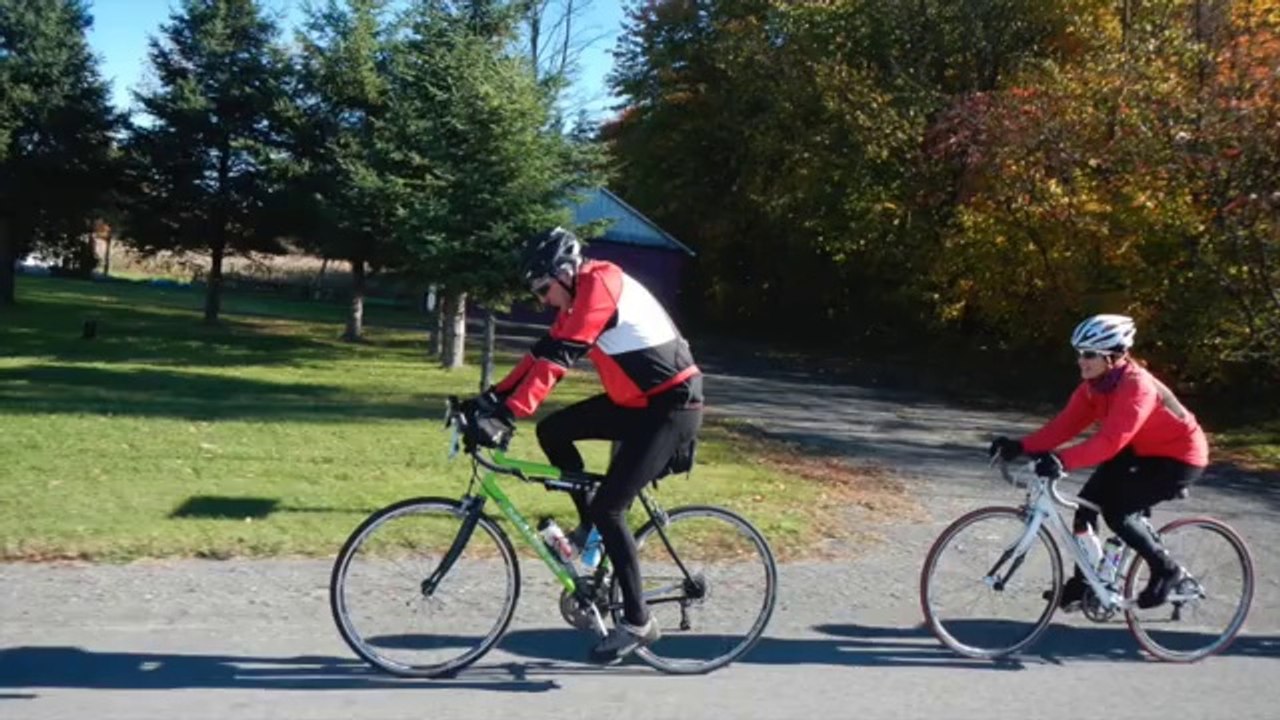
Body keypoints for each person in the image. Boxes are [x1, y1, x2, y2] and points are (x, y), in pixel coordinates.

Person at [462, 226, 704, 663]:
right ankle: (590, 527)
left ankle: (637, 623)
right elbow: (542, 352)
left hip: (672, 407)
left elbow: (559, 361)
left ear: (564, 272)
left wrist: (507, 415)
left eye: (542, 289)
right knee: (553, 431)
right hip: (638, 402)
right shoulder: (579, 294)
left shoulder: (601, 285)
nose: (541, 300)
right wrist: (492, 398)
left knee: (613, 507)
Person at [988, 314, 1208, 610]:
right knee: (1086, 507)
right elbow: (1063, 426)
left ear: (1113, 356)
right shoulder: (1095, 386)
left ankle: (1167, 570)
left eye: (1089, 354)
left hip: (1179, 457)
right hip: (1138, 450)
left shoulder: (1136, 386)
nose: (1081, 361)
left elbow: (1109, 443)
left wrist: (1061, 461)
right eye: (1079, 353)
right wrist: (1020, 446)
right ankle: (1086, 582)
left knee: (1117, 513)